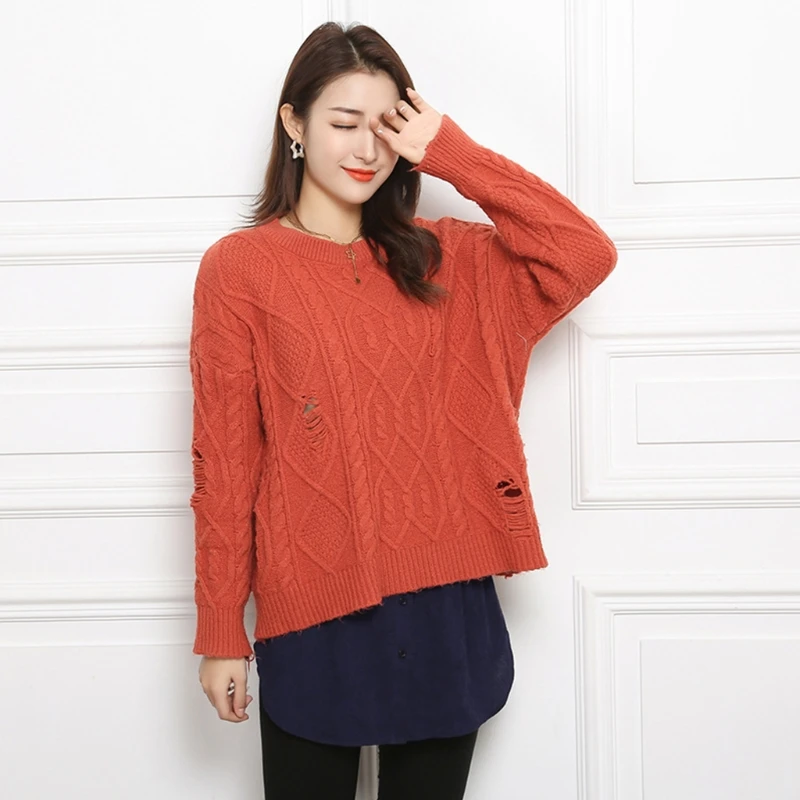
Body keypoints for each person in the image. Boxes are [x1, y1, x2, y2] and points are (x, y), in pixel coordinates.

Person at [188, 21, 618, 800]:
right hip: (314, 607)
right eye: (343, 123)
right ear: (293, 124)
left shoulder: (451, 258)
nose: (366, 149)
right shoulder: (239, 270)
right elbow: (225, 463)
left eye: (385, 127)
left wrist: (453, 151)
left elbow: (583, 254)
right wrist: (221, 630)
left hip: (446, 603)